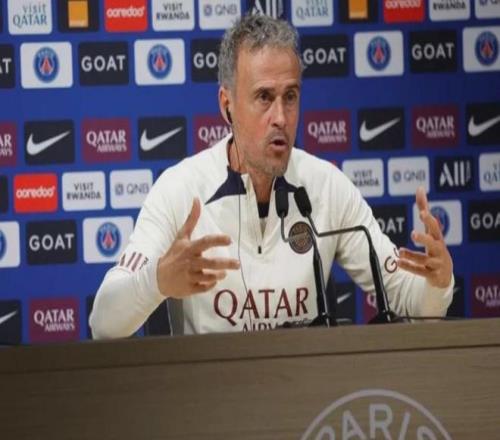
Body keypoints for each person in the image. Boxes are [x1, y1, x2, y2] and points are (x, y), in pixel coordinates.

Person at [89, 14, 453, 339]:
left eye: (290, 96)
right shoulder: (180, 190)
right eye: (264, 97)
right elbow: (103, 322)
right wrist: (156, 281)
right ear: (227, 105)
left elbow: (410, 302)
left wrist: (437, 283)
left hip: (308, 393)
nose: (280, 117)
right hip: (209, 391)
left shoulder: (328, 187)